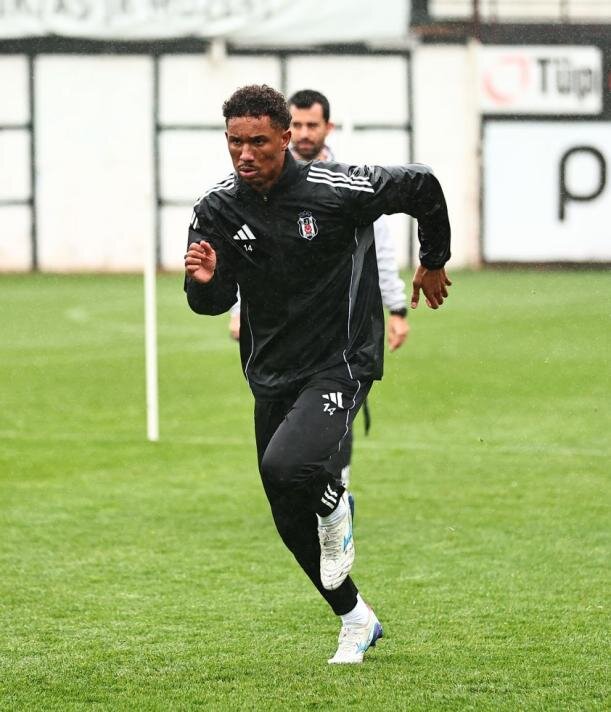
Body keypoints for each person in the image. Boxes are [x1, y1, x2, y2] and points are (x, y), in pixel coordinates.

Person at [184, 85, 451, 664]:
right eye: (234, 142)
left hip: (341, 358)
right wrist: (203, 283)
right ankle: (355, 618)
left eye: (258, 142)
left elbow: (423, 185)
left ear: (286, 138)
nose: (245, 154)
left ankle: (335, 503)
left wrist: (433, 260)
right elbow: (213, 301)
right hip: (271, 370)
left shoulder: (337, 188)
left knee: (289, 467)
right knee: (285, 513)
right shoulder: (215, 208)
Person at [228, 88, 410, 504]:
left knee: (331, 408)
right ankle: (312, 498)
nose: (305, 133)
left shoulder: (348, 181)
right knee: (289, 429)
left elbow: (379, 249)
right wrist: (238, 310)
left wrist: (396, 307)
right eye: (298, 124)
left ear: (328, 127)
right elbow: (246, 256)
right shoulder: (257, 185)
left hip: (338, 330)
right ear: (285, 131)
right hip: (284, 334)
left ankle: (335, 496)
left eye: (313, 124)